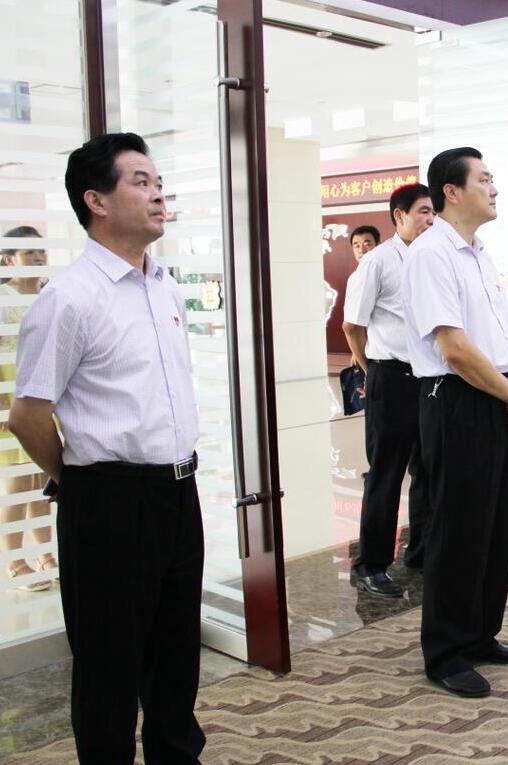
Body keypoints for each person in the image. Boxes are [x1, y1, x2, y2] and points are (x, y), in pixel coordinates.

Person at [9, 132, 206, 763]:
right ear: (95, 200)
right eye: (141, 183)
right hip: (108, 499)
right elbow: (28, 416)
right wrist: (78, 480)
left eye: (159, 182)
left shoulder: (164, 287)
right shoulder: (68, 298)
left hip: (179, 491)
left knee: (177, 653)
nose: (158, 194)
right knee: (108, 665)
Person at [402, 147, 508, 698]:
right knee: (458, 529)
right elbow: (454, 348)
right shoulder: (430, 254)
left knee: (495, 524)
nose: (494, 187)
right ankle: (445, 651)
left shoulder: (479, 252)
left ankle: (481, 633)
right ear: (452, 191)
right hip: (457, 399)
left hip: (499, 393)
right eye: (484, 179)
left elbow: (504, 330)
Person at [342, 184, 435, 593]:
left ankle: (421, 552)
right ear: (399, 216)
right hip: (390, 376)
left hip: (428, 379)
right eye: (423, 212)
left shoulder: (431, 258)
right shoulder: (377, 262)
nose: (431, 220)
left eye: (433, 213)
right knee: (386, 473)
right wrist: (371, 370)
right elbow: (352, 325)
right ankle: (371, 565)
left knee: (427, 470)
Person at [1, 226, 55, 592]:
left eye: (40, 252)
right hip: (12, 402)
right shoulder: (3, 300)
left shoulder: (49, 296)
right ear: (9, 260)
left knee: (42, 482)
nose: (36, 259)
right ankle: (15, 561)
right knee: (18, 485)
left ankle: (46, 555)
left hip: (45, 400)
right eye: (27, 252)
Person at [343, 225, 381, 367]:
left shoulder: (382, 270)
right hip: (371, 354)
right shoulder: (355, 278)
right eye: (356, 245)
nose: (361, 250)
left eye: (367, 243)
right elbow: (352, 324)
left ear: (378, 245)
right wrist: (357, 352)